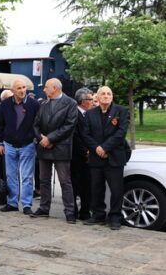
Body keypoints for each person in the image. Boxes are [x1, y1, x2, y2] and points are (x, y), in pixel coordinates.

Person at [81, 86, 129, 230]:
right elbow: (85, 134)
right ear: (97, 97)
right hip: (96, 157)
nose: (106, 96)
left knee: (116, 190)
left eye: (109, 94)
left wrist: (105, 148)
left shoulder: (121, 111)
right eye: (103, 94)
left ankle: (115, 217)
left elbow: (121, 133)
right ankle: (98, 215)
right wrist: (97, 148)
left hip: (114, 157)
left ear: (112, 97)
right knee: (96, 188)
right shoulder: (90, 113)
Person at [31, 78, 78, 223]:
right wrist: (42, 139)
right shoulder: (43, 104)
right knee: (44, 180)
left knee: (65, 181)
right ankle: (44, 208)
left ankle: (70, 212)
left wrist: (50, 139)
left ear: (55, 88)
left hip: (61, 148)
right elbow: (35, 125)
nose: (44, 89)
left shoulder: (71, 103)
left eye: (46, 87)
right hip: (44, 147)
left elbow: (69, 126)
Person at [0, 79, 40, 214]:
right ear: (12, 90)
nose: (22, 90)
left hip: (27, 145)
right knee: (11, 176)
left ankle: (26, 205)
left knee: (27, 176)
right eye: (19, 88)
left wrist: (36, 139)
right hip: (9, 145)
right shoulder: (5, 104)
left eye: (24, 87)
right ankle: (12, 203)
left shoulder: (34, 104)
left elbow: (39, 124)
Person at [71, 88, 94, 220]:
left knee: (87, 185)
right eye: (90, 99)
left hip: (88, 157)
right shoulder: (74, 114)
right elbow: (75, 136)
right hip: (76, 156)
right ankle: (73, 211)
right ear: (83, 101)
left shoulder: (89, 115)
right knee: (74, 184)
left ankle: (85, 212)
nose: (92, 102)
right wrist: (85, 151)